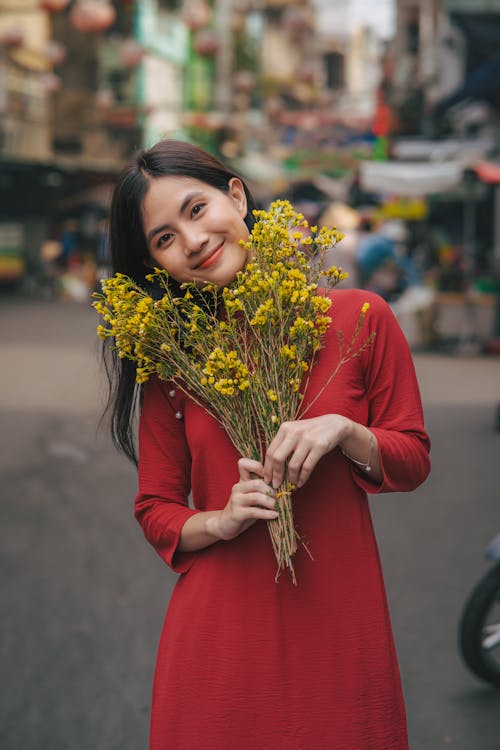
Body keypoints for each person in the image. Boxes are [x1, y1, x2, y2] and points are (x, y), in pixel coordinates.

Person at [103, 139, 431, 750]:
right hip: (220, 646)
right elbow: (156, 510)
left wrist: (344, 431)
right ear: (157, 266)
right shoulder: (173, 363)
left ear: (236, 194)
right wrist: (221, 521)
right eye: (164, 238)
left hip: (340, 625)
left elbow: (411, 459)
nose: (193, 241)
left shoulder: (360, 317)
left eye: (196, 210)